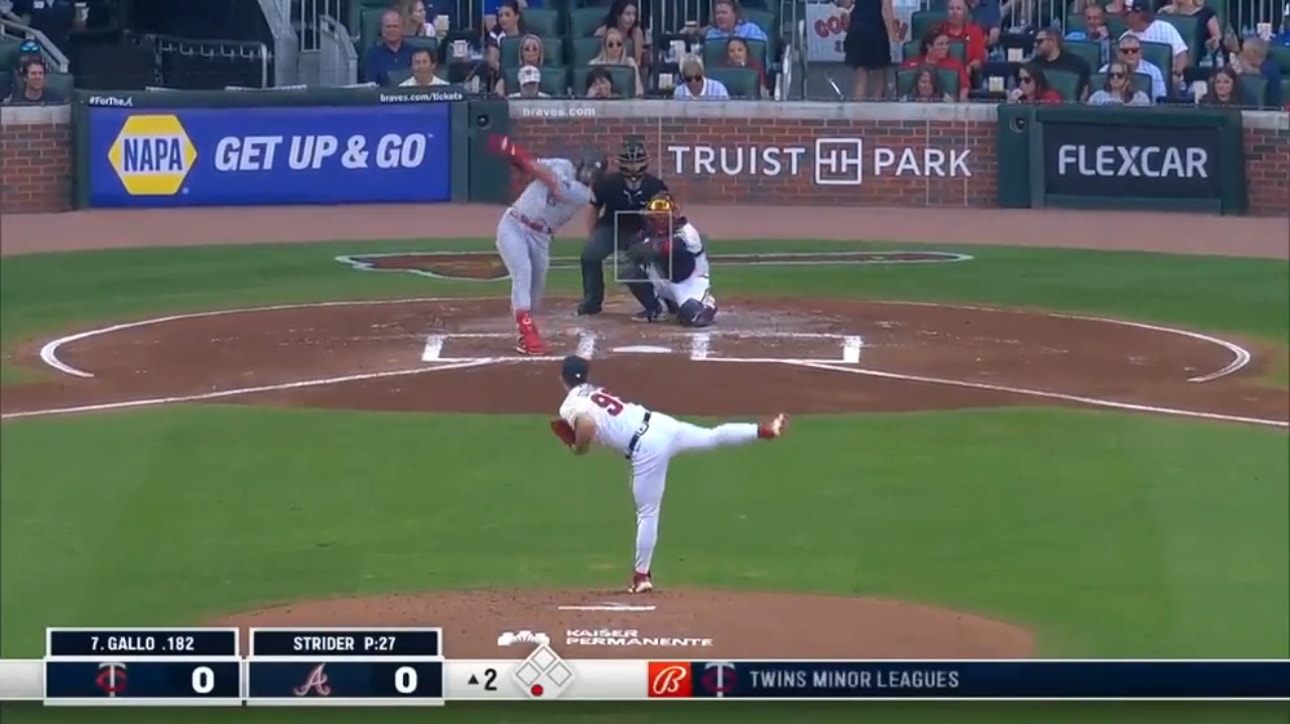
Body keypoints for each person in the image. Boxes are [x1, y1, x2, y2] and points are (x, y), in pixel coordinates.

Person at [553, 355, 787, 593]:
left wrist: (579, 448)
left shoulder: (570, 405)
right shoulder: (595, 390)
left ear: (562, 378)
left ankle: (641, 577)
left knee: (647, 512)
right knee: (711, 436)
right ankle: (763, 431)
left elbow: (588, 426)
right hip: (660, 424)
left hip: (645, 448)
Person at [490, 137, 605, 354]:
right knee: (522, 271)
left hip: (541, 238)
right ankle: (528, 333)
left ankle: (523, 330)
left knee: (535, 291)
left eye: (594, 173)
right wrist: (515, 156)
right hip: (514, 225)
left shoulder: (583, 195)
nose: (589, 175)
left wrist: (516, 150)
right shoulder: (562, 164)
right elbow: (534, 168)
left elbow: (551, 180)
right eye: (588, 170)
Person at [577, 136, 669, 317]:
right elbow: (593, 208)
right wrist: (593, 236)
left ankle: (660, 301)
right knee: (589, 256)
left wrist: (655, 240)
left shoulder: (655, 186)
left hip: (640, 231)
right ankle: (592, 302)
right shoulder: (607, 183)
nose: (633, 167)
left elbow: (665, 216)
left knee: (642, 263)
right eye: (629, 162)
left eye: (637, 162)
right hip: (610, 227)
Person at [624, 192, 719, 327]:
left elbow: (673, 247)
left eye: (663, 215)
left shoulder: (687, 232)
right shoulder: (648, 231)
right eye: (656, 215)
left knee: (691, 318)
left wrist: (650, 247)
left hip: (689, 283)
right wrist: (637, 251)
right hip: (663, 280)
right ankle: (657, 308)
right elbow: (633, 250)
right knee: (629, 271)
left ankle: (707, 304)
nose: (659, 218)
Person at [838, 0, 899, 100]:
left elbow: (846, 4)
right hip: (875, 30)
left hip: (857, 29)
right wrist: (893, 36)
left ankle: (856, 113)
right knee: (878, 77)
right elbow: (886, 10)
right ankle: (875, 112)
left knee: (860, 79)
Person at [362, 9, 416, 86]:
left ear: (402, 29)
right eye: (388, 26)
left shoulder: (414, 53)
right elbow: (370, 87)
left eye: (395, 26)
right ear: (382, 29)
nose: (391, 30)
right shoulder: (372, 56)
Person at [1087, 61, 1151, 104]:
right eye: (1112, 75)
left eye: (1119, 75)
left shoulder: (1141, 98)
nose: (1115, 78)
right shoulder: (1097, 97)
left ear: (1127, 77)